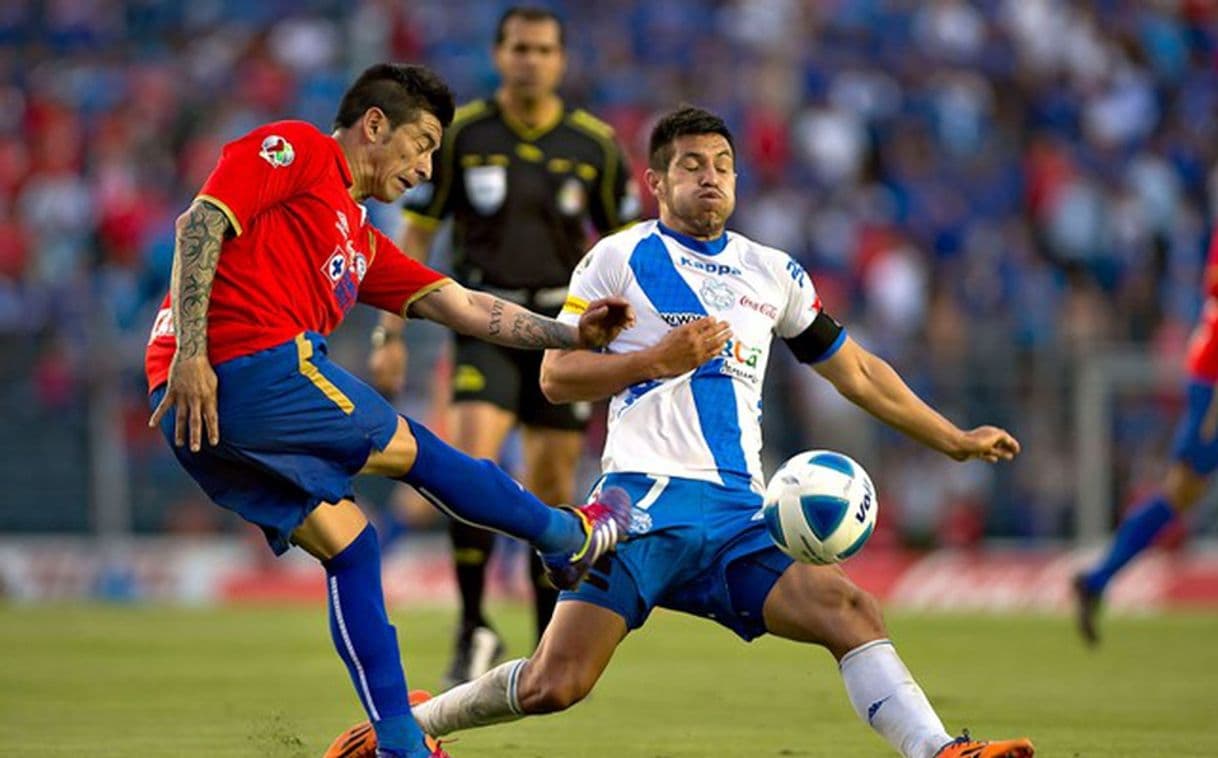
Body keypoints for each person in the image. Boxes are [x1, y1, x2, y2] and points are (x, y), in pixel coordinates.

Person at [335, 107, 1035, 757]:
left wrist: (953, 438)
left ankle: (943, 751)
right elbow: (556, 375)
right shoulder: (619, 259)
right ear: (658, 180)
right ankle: (410, 729)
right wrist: (653, 361)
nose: (711, 176)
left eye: (723, 164)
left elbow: (856, 371)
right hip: (639, 509)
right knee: (558, 682)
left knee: (849, 608)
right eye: (693, 164)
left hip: (739, 517)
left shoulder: (773, 272)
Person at [144, 62, 636, 758]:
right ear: (375, 125)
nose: (428, 167)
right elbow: (200, 223)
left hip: (198, 417)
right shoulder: (298, 149)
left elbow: (464, 305)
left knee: (353, 546)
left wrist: (570, 331)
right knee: (421, 452)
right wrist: (195, 353)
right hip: (241, 368)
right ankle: (565, 536)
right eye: (424, 143)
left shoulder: (357, 239)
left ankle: (400, 742)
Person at [368, 5, 640, 688]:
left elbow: (630, 247)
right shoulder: (462, 136)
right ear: (499, 55)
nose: (531, 60)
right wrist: (391, 330)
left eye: (544, 50)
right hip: (484, 323)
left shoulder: (594, 146)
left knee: (550, 489)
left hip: (563, 336)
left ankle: (547, 643)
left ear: (561, 61)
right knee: (473, 460)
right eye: (520, 48)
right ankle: (472, 627)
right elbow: (419, 234)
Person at [1072, 232, 1218, 646]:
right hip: (1214, 377)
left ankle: (1097, 579)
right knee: (1182, 488)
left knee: (1182, 491)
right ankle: (1097, 578)